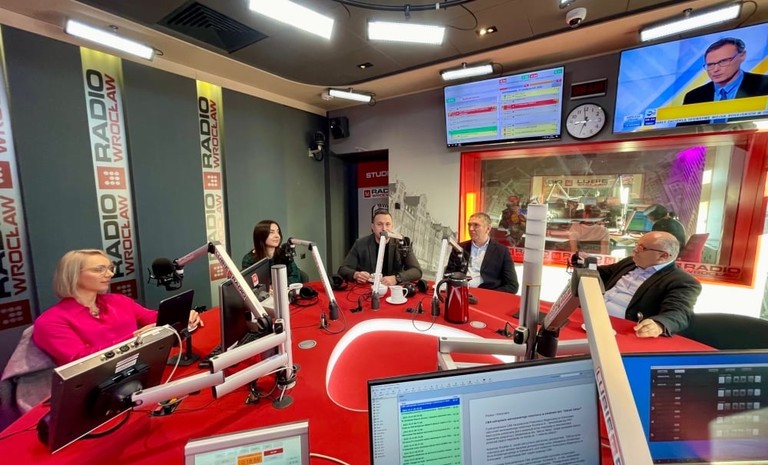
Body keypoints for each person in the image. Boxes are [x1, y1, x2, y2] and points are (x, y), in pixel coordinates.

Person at [32, 249, 203, 366]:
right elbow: (80, 361)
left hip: (141, 368)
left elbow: (153, 318)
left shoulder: (118, 301)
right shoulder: (50, 321)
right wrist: (136, 339)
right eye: (99, 269)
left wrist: (182, 316)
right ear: (73, 275)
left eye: (110, 268)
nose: (110, 274)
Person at [596, 231, 701, 338]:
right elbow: (600, 273)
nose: (635, 250)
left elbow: (679, 313)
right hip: (593, 314)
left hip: (622, 330)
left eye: (642, 248)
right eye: (636, 245)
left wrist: (659, 324)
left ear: (663, 256)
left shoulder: (682, 281)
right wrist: (585, 263)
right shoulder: (630, 262)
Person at [338, 209, 422, 285]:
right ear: (372, 227)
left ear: (392, 226)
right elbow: (343, 269)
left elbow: (417, 271)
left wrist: (396, 278)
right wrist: (356, 274)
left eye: (388, 224)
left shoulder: (402, 242)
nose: (384, 228)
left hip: (393, 289)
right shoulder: (360, 243)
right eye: (379, 224)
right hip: (368, 289)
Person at [445, 212, 519, 294]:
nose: (471, 229)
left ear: (488, 229)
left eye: (476, 225)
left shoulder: (501, 251)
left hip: (487, 295)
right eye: (469, 225)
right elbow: (449, 274)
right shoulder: (459, 248)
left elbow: (512, 286)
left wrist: (490, 295)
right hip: (461, 292)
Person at [683, 37, 768, 105]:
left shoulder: (764, 85)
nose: (715, 69)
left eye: (723, 61)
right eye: (710, 64)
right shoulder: (693, 97)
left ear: (742, 56)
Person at [242, 220, 303, 285]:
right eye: (271, 232)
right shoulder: (249, 259)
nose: (277, 236)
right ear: (261, 236)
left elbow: (296, 277)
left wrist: (276, 286)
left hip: (284, 289)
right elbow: (249, 284)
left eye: (278, 232)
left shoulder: (284, 252)